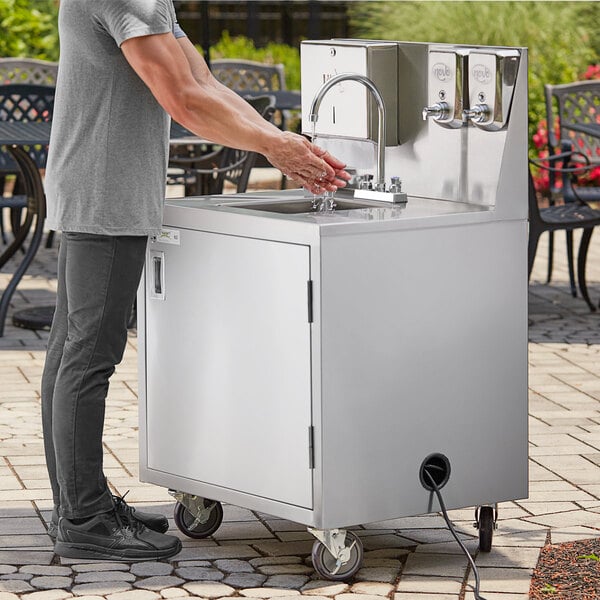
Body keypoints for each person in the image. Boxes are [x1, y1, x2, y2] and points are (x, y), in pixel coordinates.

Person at [41, 0, 349, 562]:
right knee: (89, 356)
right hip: (106, 196)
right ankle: (83, 517)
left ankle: (79, 506)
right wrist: (274, 147)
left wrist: (281, 141)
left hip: (96, 188)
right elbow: (180, 99)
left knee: (72, 350)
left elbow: (200, 79)